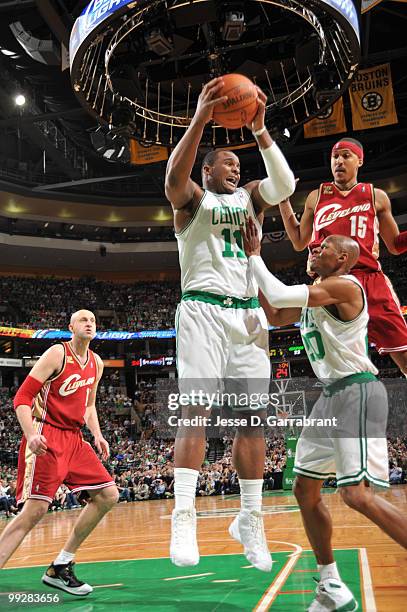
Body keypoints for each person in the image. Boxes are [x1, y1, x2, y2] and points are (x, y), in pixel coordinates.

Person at [242, 219, 407, 611]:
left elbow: (279, 291)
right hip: (329, 397)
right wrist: (244, 275)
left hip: (357, 390)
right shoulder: (318, 293)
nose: (313, 250)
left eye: (324, 247)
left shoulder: (347, 286)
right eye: (314, 247)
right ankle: (331, 584)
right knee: (304, 488)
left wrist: (254, 255)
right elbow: (276, 311)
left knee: (355, 495)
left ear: (345, 258)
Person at [165, 76, 296, 569]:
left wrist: (261, 130)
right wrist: (199, 118)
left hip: (247, 315)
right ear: (208, 168)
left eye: (239, 165)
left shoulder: (251, 201)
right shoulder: (194, 202)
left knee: (252, 423)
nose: (236, 170)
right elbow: (172, 181)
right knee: (195, 413)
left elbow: (284, 184)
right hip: (201, 310)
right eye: (228, 163)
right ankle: (183, 518)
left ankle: (250, 519)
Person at [0, 310, 119, 596]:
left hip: (75, 439)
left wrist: (98, 434)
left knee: (108, 495)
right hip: (47, 434)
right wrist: (30, 434)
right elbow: (22, 397)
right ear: (70, 327)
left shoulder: (96, 363)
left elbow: (89, 406)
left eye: (93, 320)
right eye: (83, 320)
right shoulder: (57, 354)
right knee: (35, 511)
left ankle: (60, 565)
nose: (90, 323)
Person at [278, 137, 407, 375]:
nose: (339, 161)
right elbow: (298, 241)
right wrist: (284, 202)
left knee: (404, 354)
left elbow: (396, 246)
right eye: (335, 157)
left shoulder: (376, 196)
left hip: (369, 279)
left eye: (346, 156)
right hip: (330, 283)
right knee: (340, 364)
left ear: (359, 160)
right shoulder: (316, 197)